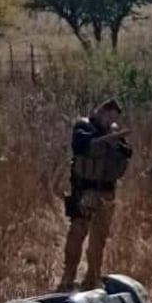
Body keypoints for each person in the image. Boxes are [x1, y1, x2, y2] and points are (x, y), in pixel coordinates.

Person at [58, 98, 133, 291]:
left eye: (113, 117)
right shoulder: (84, 126)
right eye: (108, 116)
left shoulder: (114, 132)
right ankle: (68, 278)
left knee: (98, 239)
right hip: (84, 190)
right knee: (77, 233)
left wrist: (116, 141)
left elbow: (127, 153)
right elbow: (81, 146)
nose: (110, 120)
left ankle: (92, 279)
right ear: (99, 112)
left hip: (106, 192)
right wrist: (108, 139)